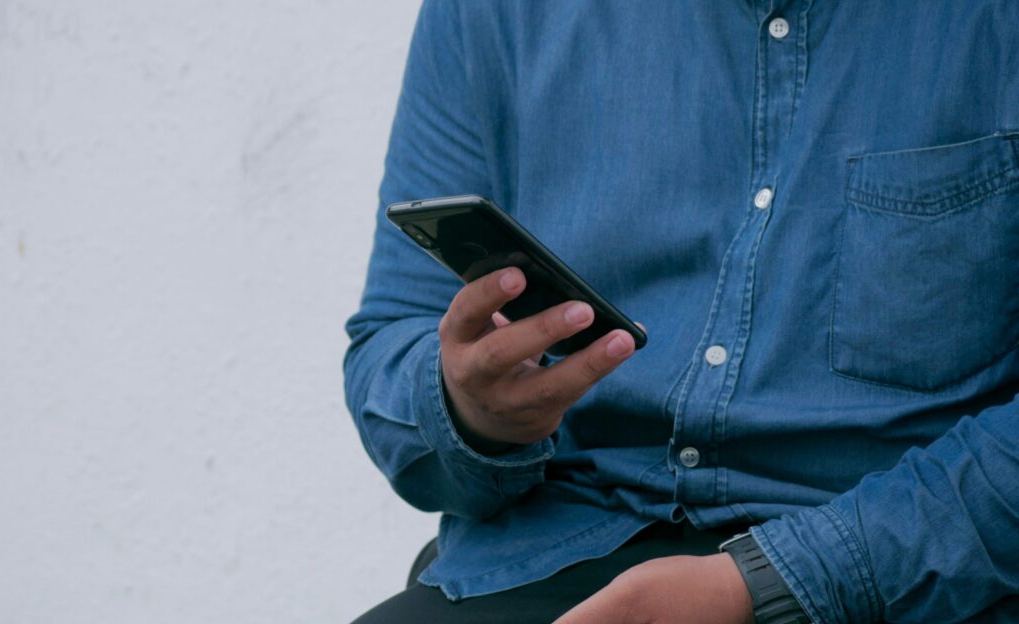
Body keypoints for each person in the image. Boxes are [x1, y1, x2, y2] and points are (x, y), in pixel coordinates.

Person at [343, 2, 1019, 622]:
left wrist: (776, 581)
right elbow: (392, 337)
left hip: (898, 566)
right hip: (561, 543)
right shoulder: (494, 13)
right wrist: (469, 410)